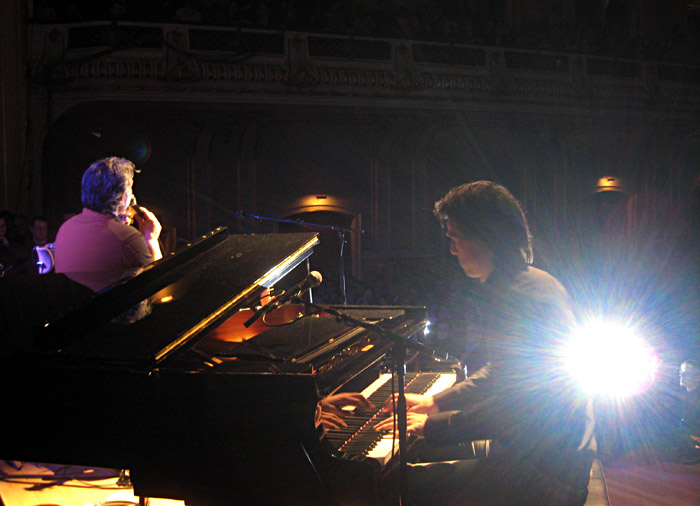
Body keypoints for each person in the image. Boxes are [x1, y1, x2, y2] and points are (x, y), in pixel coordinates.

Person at [332, 181, 595, 505]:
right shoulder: (529, 282)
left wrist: (434, 425)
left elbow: (521, 410)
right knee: (415, 453)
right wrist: (437, 403)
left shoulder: (520, 299)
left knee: (395, 486)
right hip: (540, 451)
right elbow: (501, 375)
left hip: (545, 474)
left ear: (485, 237)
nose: (452, 249)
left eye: (455, 238)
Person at [54, 157, 162, 293]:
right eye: (130, 190)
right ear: (122, 198)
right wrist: (151, 240)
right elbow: (160, 291)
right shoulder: (127, 238)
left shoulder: (65, 230)